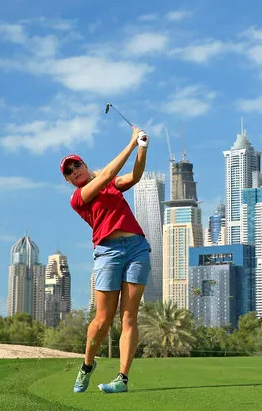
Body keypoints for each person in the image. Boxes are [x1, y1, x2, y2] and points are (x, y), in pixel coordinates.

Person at [60, 126, 150, 394]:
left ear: (85, 164)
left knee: (129, 317)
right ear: (69, 180)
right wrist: (132, 143)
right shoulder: (79, 198)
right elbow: (109, 173)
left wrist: (143, 147)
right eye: (69, 170)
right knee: (102, 318)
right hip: (107, 252)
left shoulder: (110, 184)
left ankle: (122, 378)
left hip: (136, 248)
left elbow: (135, 175)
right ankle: (87, 365)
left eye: (77, 164)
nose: (74, 169)